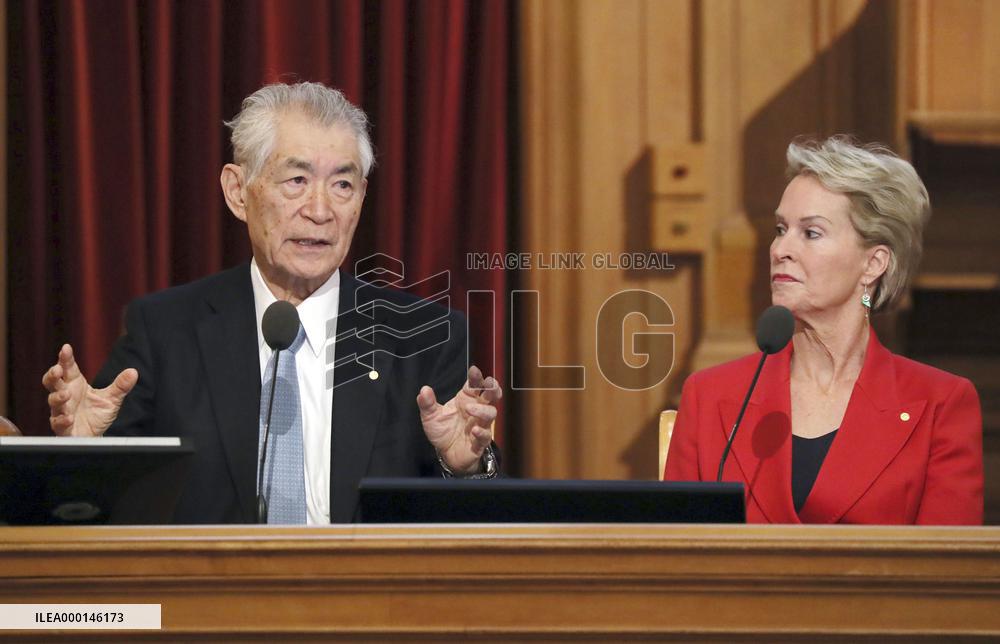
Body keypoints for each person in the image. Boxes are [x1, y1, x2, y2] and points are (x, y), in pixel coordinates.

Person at [41, 82, 502, 524]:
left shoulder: (424, 339)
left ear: (362, 197)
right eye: (297, 180)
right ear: (238, 192)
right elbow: (100, 515)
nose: (320, 211)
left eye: (342, 185)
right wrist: (83, 452)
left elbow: (474, 533)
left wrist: (463, 468)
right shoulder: (164, 332)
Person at [664, 135, 983, 525]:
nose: (780, 249)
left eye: (811, 233)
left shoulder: (940, 405)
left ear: (873, 264)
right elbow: (677, 551)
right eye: (780, 229)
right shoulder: (709, 396)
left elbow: (946, 560)